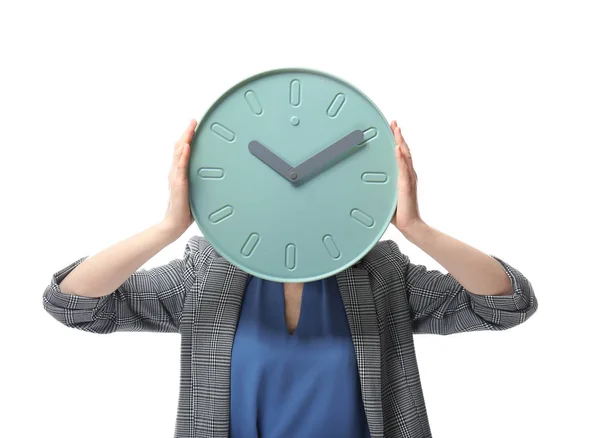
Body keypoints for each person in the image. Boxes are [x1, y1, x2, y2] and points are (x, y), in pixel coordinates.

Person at [42, 119, 538, 438]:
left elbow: (505, 303)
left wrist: (415, 228)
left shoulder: (380, 273)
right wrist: (169, 226)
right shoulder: (206, 275)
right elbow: (74, 303)